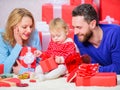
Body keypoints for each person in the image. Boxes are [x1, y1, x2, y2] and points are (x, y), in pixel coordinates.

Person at [72, 4, 120, 74]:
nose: (75, 32)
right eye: (74, 27)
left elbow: (118, 67)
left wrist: (95, 70)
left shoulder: (114, 33)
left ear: (92, 24)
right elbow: (91, 65)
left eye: (79, 27)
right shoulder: (79, 38)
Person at [0, 8, 41, 74]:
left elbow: (40, 66)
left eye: (31, 26)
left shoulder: (34, 33)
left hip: (30, 78)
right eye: (24, 27)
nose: (29, 30)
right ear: (13, 27)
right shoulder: (2, 36)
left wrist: (23, 71)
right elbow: (3, 70)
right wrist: (18, 44)